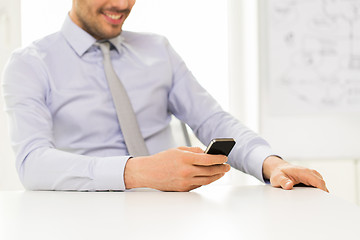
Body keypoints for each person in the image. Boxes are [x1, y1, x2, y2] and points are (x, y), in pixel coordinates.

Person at [2, 0, 328, 192]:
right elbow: (32, 163)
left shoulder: (157, 49)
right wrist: (139, 172)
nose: (123, 5)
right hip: (86, 218)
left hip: (175, 215)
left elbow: (212, 119)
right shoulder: (30, 64)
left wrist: (272, 164)